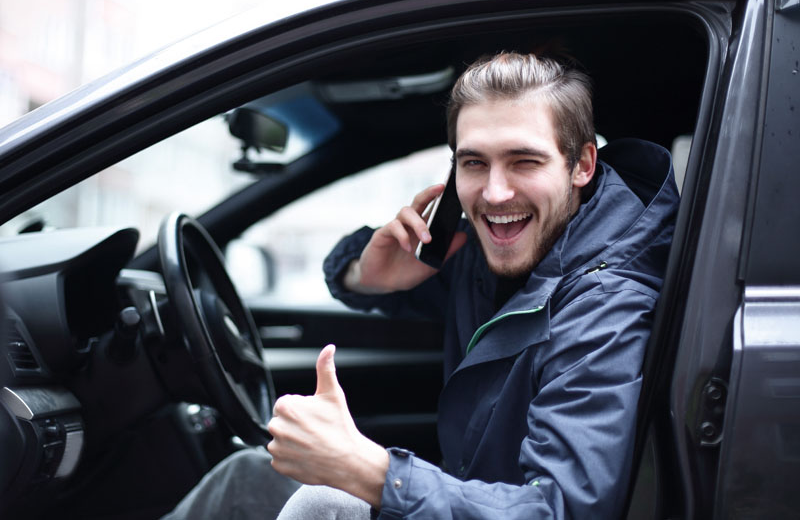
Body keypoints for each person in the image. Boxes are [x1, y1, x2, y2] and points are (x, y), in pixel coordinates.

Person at [163, 51, 679, 520]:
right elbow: (341, 273)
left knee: (323, 501)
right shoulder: (490, 252)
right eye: (474, 163)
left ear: (582, 165)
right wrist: (369, 272)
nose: (495, 193)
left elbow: (559, 511)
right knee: (248, 476)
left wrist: (368, 470)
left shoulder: (605, 308)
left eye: (524, 161)